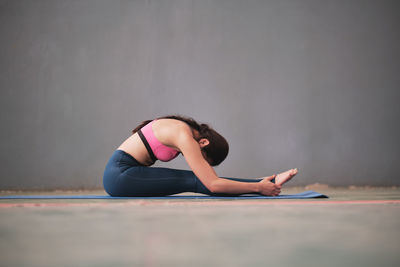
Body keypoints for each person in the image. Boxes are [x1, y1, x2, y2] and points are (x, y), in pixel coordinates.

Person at [103, 115, 298, 197]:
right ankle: (262, 184)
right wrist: (257, 187)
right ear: (203, 143)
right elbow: (212, 184)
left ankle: (264, 182)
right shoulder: (184, 135)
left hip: (122, 173)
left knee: (198, 179)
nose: (202, 164)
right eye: (205, 160)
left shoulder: (181, 127)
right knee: (197, 180)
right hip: (121, 175)